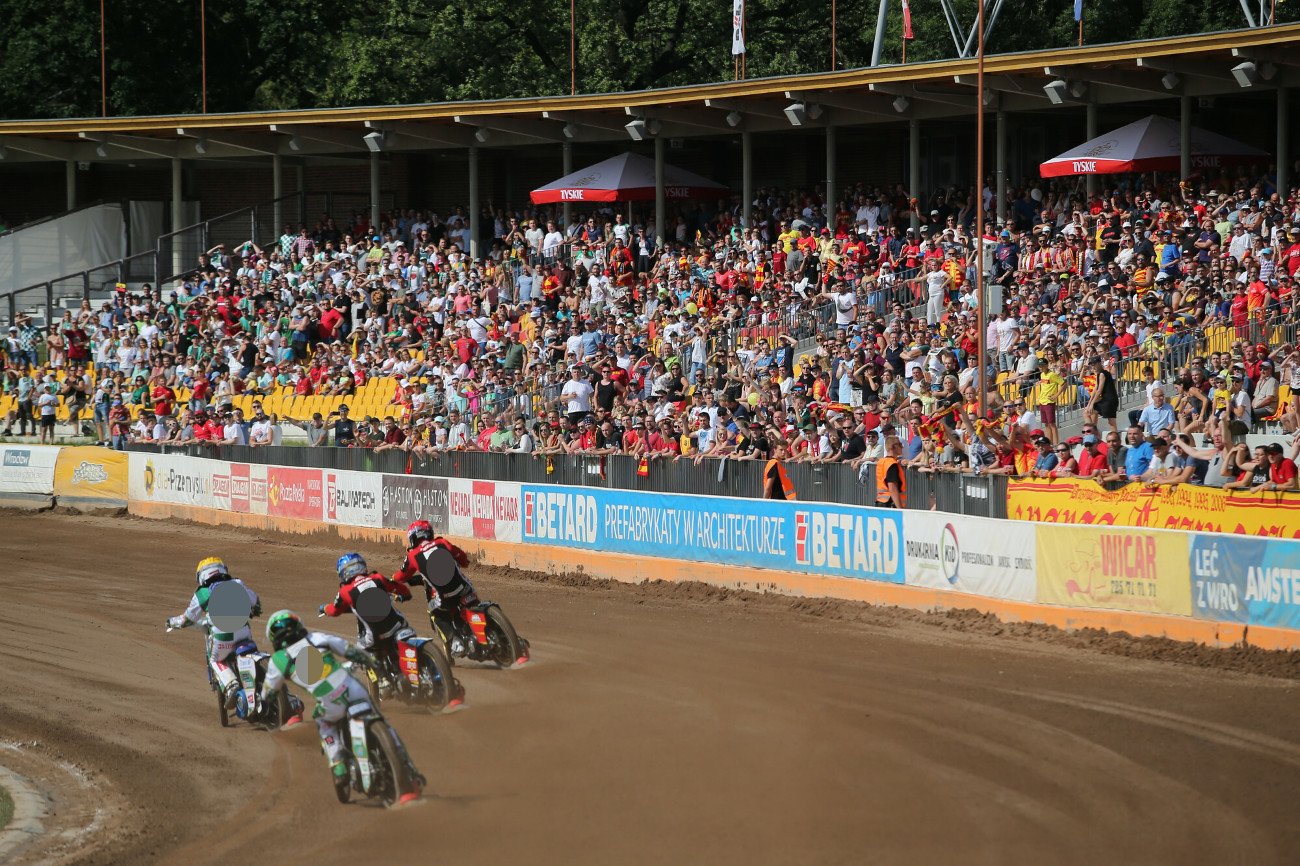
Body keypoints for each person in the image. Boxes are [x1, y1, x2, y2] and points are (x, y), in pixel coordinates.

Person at [260, 609, 424, 802]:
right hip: (355, 690)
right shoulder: (317, 637)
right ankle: (409, 769)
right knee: (385, 724)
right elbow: (351, 651)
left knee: (324, 724)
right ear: (298, 624)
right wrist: (372, 663)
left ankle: (338, 765)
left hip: (330, 704)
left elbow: (269, 692)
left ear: (273, 637)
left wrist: (265, 703)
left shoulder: (278, 660)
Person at [166, 557, 262, 709]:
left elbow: (188, 619)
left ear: (202, 576)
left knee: (215, 660)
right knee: (253, 651)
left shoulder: (202, 593)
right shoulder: (237, 583)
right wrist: (256, 608)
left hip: (222, 638)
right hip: (244, 632)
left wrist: (172, 622)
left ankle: (231, 685)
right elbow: (255, 600)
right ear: (223, 569)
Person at [320, 552, 415, 691]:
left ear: (342, 573)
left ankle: (382, 679)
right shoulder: (378, 578)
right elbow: (401, 589)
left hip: (374, 636)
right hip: (397, 625)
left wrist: (324, 608)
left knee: (361, 650)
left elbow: (334, 610)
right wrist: (404, 595)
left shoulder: (345, 591)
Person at [391, 520, 480, 655]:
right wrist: (464, 562)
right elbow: (462, 557)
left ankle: (455, 641)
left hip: (444, 597)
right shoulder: (442, 542)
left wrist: (393, 579)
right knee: (474, 601)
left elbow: (401, 576)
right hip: (465, 588)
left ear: (413, 538)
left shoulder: (413, 555)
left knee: (435, 613)